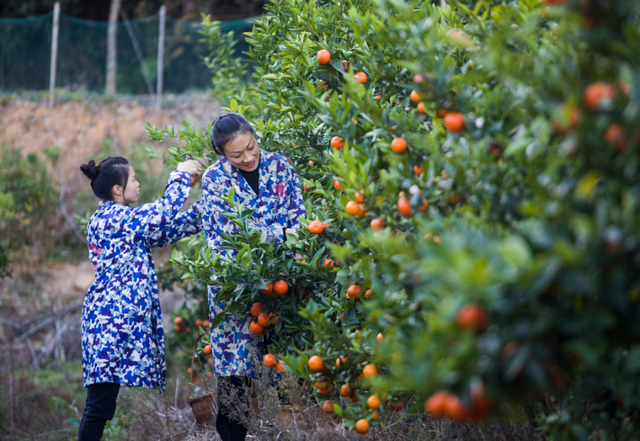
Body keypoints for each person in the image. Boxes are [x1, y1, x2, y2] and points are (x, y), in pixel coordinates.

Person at [77, 156, 203, 441]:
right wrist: (181, 174)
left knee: (102, 405)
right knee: (98, 407)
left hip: (112, 324)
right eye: (133, 179)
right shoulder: (112, 218)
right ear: (118, 189)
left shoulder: (125, 222)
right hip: (108, 325)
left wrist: (204, 211)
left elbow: (165, 230)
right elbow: (160, 212)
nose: (138, 183)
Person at [199, 113, 306, 441]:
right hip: (237, 293)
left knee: (288, 378)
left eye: (251, 148)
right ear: (222, 154)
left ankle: (291, 434)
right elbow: (220, 241)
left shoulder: (281, 167)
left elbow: (300, 225)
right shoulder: (214, 179)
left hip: (280, 289)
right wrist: (277, 234)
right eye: (236, 154)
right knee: (236, 382)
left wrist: (264, 236)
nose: (247, 158)